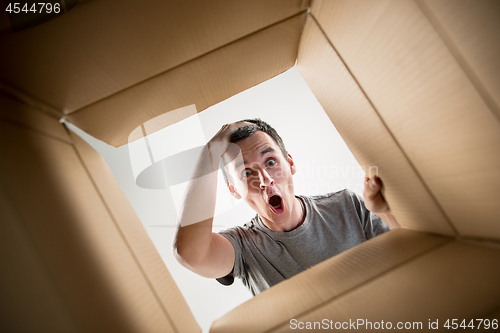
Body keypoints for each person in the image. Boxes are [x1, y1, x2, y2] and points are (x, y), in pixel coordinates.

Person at [173, 119, 399, 295]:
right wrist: (210, 151)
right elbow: (190, 253)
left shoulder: (347, 205)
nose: (264, 180)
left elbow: (409, 260)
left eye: (270, 162)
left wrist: (383, 211)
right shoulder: (242, 248)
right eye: (247, 173)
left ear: (290, 163)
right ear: (234, 190)